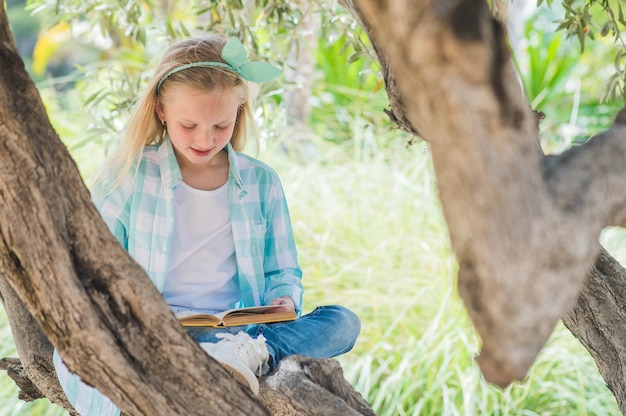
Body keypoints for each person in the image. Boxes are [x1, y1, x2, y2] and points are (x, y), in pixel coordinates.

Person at [53, 34, 361, 415]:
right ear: (161, 110)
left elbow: (282, 269)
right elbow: (91, 268)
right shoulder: (128, 175)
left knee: (343, 322)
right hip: (158, 330)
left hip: (243, 333)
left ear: (240, 113)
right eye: (190, 125)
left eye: (221, 125)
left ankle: (237, 357)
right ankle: (216, 358)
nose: (205, 139)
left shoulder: (261, 182)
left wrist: (284, 297)